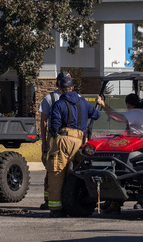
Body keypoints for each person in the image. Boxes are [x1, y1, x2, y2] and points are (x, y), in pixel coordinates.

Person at [46, 72, 104, 217]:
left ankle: (56, 208)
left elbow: (54, 126)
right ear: (72, 88)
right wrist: (99, 103)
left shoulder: (58, 104)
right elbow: (96, 115)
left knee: (57, 173)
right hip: (80, 141)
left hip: (63, 139)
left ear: (60, 86)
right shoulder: (83, 102)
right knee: (74, 175)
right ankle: (72, 204)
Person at [38, 72, 71, 209]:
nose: (67, 84)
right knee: (52, 169)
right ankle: (49, 199)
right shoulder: (50, 98)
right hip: (54, 137)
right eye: (65, 81)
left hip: (70, 136)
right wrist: (44, 142)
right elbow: (43, 121)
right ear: (58, 83)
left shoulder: (76, 97)